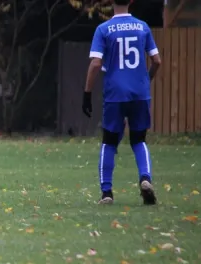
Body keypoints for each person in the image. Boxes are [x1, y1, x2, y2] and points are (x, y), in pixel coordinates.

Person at [82, 0, 161, 205]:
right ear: (132, 1)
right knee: (139, 140)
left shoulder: (104, 29)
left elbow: (96, 63)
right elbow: (157, 61)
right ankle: (145, 178)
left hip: (115, 94)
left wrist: (87, 94)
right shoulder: (142, 27)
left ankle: (107, 192)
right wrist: (144, 81)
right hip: (139, 93)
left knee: (109, 141)